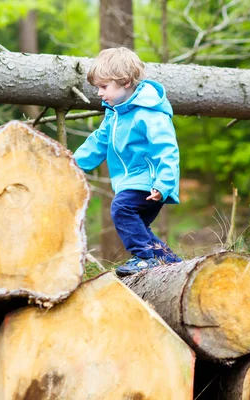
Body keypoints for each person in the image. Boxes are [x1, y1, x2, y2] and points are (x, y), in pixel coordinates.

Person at [73, 47, 181, 277]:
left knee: (122, 208)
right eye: (97, 88)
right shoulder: (115, 113)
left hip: (150, 182)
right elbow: (99, 142)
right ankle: (171, 263)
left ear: (125, 82)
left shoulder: (149, 112)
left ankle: (144, 257)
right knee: (138, 226)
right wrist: (73, 164)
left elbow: (167, 149)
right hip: (131, 181)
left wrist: (163, 183)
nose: (99, 94)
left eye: (104, 87)